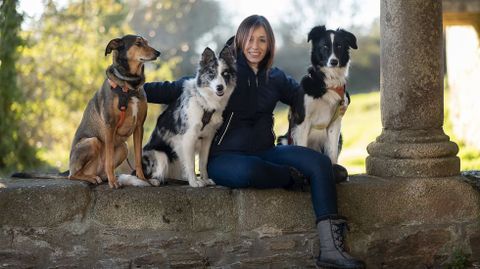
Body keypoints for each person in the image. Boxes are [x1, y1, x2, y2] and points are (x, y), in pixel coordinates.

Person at [144, 15, 365, 269]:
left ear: (269, 44)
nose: (255, 46)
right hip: (225, 157)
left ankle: (331, 250)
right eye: (250, 39)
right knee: (249, 172)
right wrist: (134, 89)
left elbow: (303, 96)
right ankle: (293, 178)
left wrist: (337, 91)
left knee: (318, 163)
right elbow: (175, 87)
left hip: (266, 152)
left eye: (262, 40)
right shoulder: (224, 73)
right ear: (241, 40)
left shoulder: (276, 77)